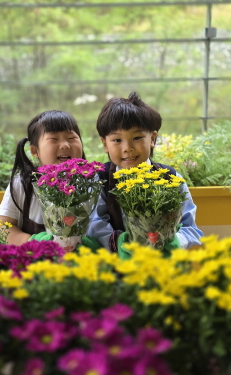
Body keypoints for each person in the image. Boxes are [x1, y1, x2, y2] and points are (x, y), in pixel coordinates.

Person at [87, 92, 203, 255]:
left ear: (153, 138)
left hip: (162, 264)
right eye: (117, 140)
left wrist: (173, 242)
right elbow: (94, 225)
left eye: (137, 137)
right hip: (116, 267)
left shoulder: (171, 178)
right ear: (104, 144)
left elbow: (190, 227)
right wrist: (122, 245)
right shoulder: (100, 180)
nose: (127, 147)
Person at [0, 110, 85, 246]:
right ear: (34, 151)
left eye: (71, 138)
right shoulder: (21, 184)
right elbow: (3, 227)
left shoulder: (91, 184)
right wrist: (34, 242)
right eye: (54, 139)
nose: (65, 145)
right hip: (32, 260)